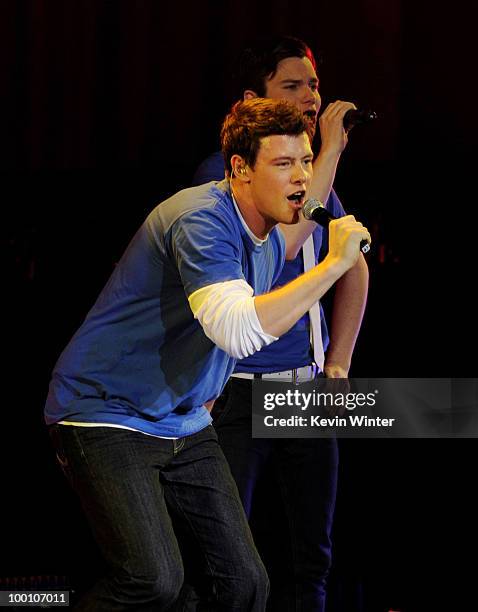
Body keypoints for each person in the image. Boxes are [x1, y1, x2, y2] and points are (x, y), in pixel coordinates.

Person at [45, 97, 370, 611]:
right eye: (283, 163)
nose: (301, 177)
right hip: (107, 414)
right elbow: (238, 333)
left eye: (306, 161)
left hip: (184, 422)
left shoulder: (268, 231)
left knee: (246, 584)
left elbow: (250, 325)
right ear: (240, 169)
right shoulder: (201, 221)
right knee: (152, 580)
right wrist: (330, 266)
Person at [192, 36, 369, 611]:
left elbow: (353, 266)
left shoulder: (317, 179)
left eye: (313, 84)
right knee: (228, 561)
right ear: (253, 101)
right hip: (236, 394)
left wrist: (338, 361)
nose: (310, 97)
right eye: (291, 86)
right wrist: (329, 153)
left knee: (310, 558)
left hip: (303, 389)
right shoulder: (225, 176)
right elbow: (284, 253)